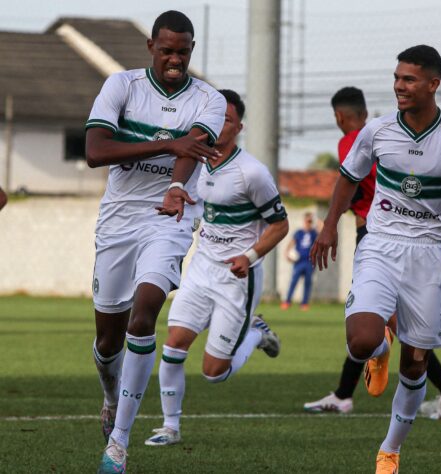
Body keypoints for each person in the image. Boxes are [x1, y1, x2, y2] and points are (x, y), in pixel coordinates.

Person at [311, 45, 441, 473]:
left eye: (409, 79)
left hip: (429, 256)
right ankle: (377, 350)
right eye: (397, 78)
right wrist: (327, 225)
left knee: (416, 362)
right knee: (360, 337)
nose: (399, 86)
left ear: (434, 84)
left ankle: (390, 450)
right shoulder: (376, 131)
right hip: (380, 244)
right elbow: (347, 180)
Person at [85, 10, 227, 474]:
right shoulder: (121, 87)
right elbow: (96, 151)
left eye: (183, 52)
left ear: (191, 50)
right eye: (167, 50)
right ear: (151, 47)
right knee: (108, 341)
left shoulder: (209, 98)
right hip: (119, 219)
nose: (175, 59)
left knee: (144, 313)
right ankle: (110, 397)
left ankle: (118, 446)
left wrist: (176, 186)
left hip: (170, 216)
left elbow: (195, 148)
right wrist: (166, 146)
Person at [304, 87, 441, 419]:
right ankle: (344, 393)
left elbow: (361, 183)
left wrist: (338, 218)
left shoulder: (352, 141)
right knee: (382, 320)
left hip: (379, 236)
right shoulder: (387, 132)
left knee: (390, 320)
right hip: (407, 235)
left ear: (339, 116)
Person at [144, 89, 289, 446]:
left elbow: (280, 225)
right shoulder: (195, 162)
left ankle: (255, 333)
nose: (219, 124)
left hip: (237, 278)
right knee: (173, 347)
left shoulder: (252, 173)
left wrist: (249, 257)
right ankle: (170, 427)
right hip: (201, 269)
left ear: (239, 125)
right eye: (215, 117)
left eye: (227, 119)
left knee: (213, 373)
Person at [280, 212, 318, 311]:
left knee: (307, 283)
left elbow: (321, 234)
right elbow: (291, 243)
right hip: (299, 261)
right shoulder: (299, 233)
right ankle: (287, 302)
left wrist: (318, 222)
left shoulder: (314, 233)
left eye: (311, 221)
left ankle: (304, 303)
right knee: (294, 281)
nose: (309, 223)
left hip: (309, 262)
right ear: (304, 221)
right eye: (307, 221)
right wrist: (287, 254)